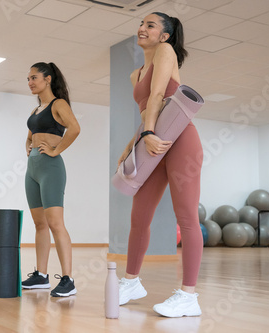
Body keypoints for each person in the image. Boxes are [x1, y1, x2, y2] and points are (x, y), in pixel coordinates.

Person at [116, 12, 204, 317]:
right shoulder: (134, 74)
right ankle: (131, 282)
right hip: (152, 142)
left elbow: (158, 95)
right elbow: (146, 111)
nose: (142, 28)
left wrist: (150, 134)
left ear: (164, 36)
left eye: (150, 25)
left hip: (179, 141)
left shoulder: (166, 53)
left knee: (187, 218)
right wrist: (135, 142)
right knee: (139, 217)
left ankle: (188, 296)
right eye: (141, 23)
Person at [22, 62, 80, 297]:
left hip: (51, 168)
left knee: (56, 223)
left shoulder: (58, 104)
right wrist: (28, 145)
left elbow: (74, 129)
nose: (30, 82)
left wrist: (56, 150)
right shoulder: (36, 110)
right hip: (33, 168)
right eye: (28, 79)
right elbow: (30, 135)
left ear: (48, 79)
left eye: (34, 77)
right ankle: (42, 276)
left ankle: (68, 280)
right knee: (39, 224)